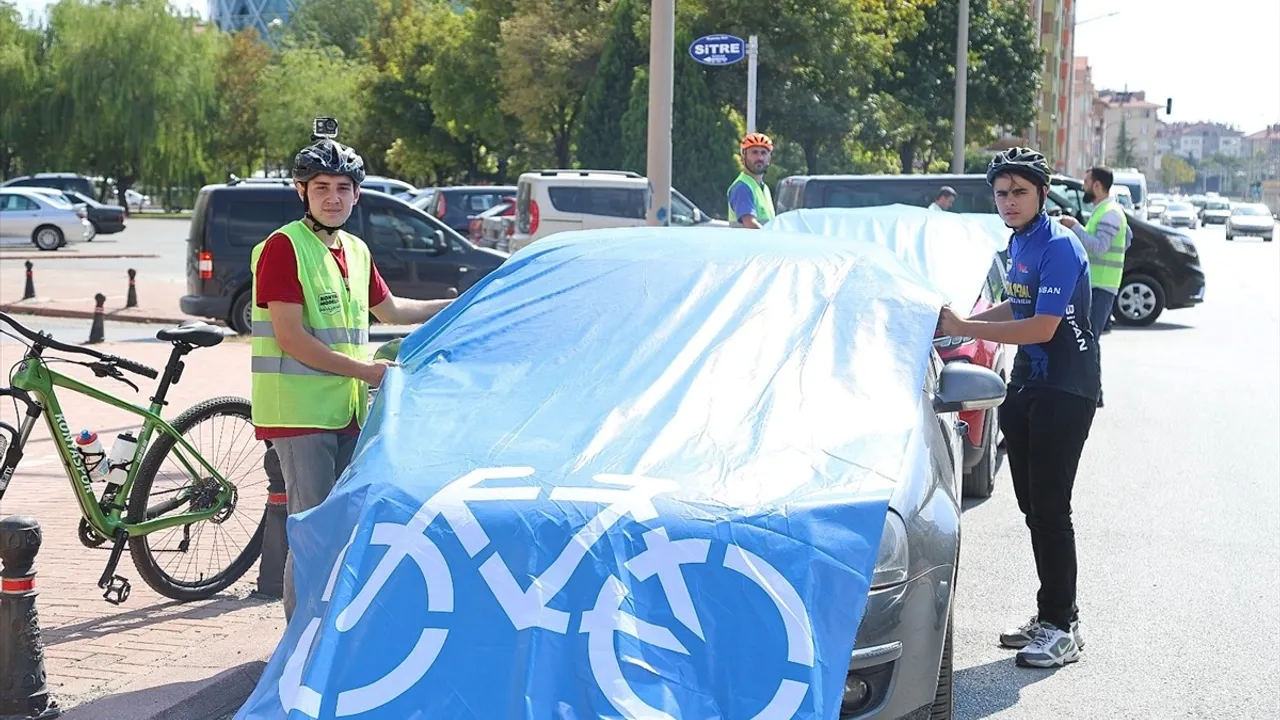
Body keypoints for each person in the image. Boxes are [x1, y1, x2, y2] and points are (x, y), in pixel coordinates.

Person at [251, 133, 455, 620]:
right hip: (298, 414)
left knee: (340, 528)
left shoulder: (355, 251)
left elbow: (393, 309)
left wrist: (463, 305)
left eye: (343, 188)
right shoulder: (284, 247)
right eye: (321, 187)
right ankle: (299, 646)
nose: (333, 197)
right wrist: (366, 371)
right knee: (313, 530)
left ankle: (326, 637)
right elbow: (291, 338)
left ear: (357, 194)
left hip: (344, 411)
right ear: (302, 192)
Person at [937, 147, 1099, 669]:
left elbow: (1042, 326)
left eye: (1019, 192)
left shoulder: (1059, 244)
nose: (1008, 201)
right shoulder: (1019, 241)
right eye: (1002, 193)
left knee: (1051, 510)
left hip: (1066, 389)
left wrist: (966, 328)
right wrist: (970, 318)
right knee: (1034, 509)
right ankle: (1050, 614)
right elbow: (1020, 304)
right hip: (1028, 383)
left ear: (1042, 194)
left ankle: (1063, 627)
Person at [1056, 166, 1131, 408]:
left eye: (1087, 182)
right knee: (1086, 338)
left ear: (1097, 185)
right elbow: (1127, 239)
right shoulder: (1106, 210)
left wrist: (1074, 226)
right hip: (1097, 284)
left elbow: (1099, 247)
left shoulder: (1109, 212)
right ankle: (1089, 390)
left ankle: (1092, 392)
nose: (1085, 186)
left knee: (1089, 339)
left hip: (1102, 286)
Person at [727, 133, 776, 229]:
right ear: (743, 157)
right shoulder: (742, 187)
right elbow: (750, 224)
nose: (760, 158)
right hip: (747, 244)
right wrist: (772, 239)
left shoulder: (764, 188)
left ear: (769, 159)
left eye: (763, 153)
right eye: (754, 152)